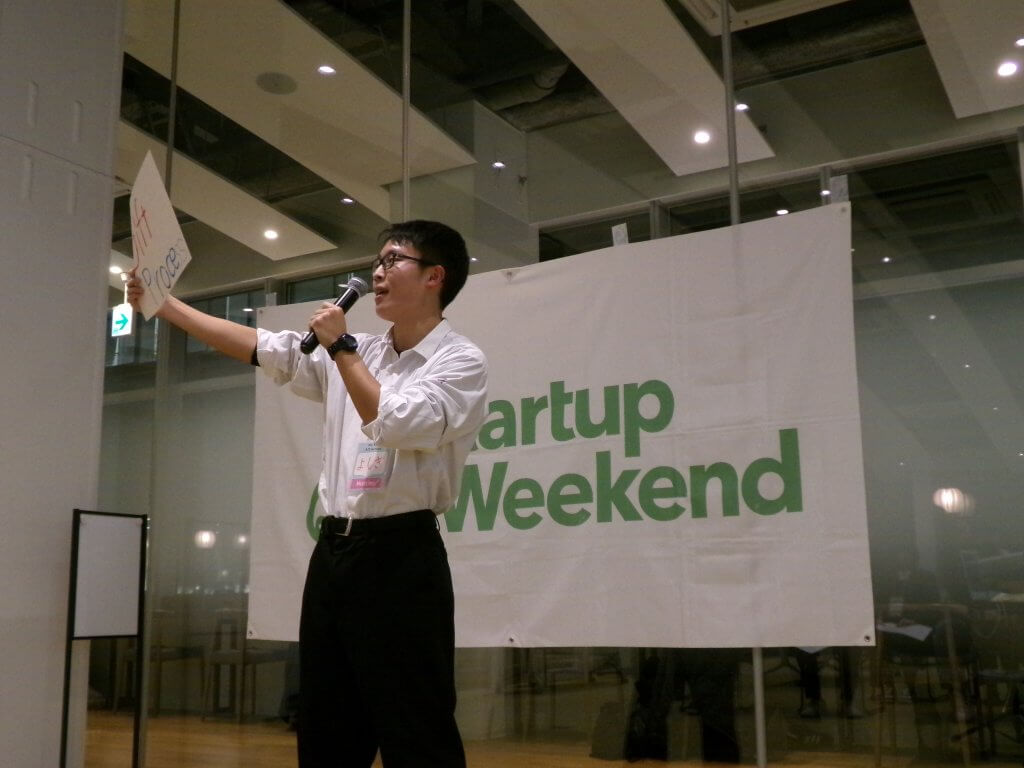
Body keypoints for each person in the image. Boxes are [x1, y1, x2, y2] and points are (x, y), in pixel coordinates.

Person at [127, 220, 488, 768]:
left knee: (415, 722)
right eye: (377, 261)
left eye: (393, 260)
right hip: (336, 551)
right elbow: (262, 348)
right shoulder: (362, 351)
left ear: (435, 276)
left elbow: (395, 422)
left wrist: (341, 347)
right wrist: (165, 305)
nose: (377, 273)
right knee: (326, 720)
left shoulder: (458, 360)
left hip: (402, 556)